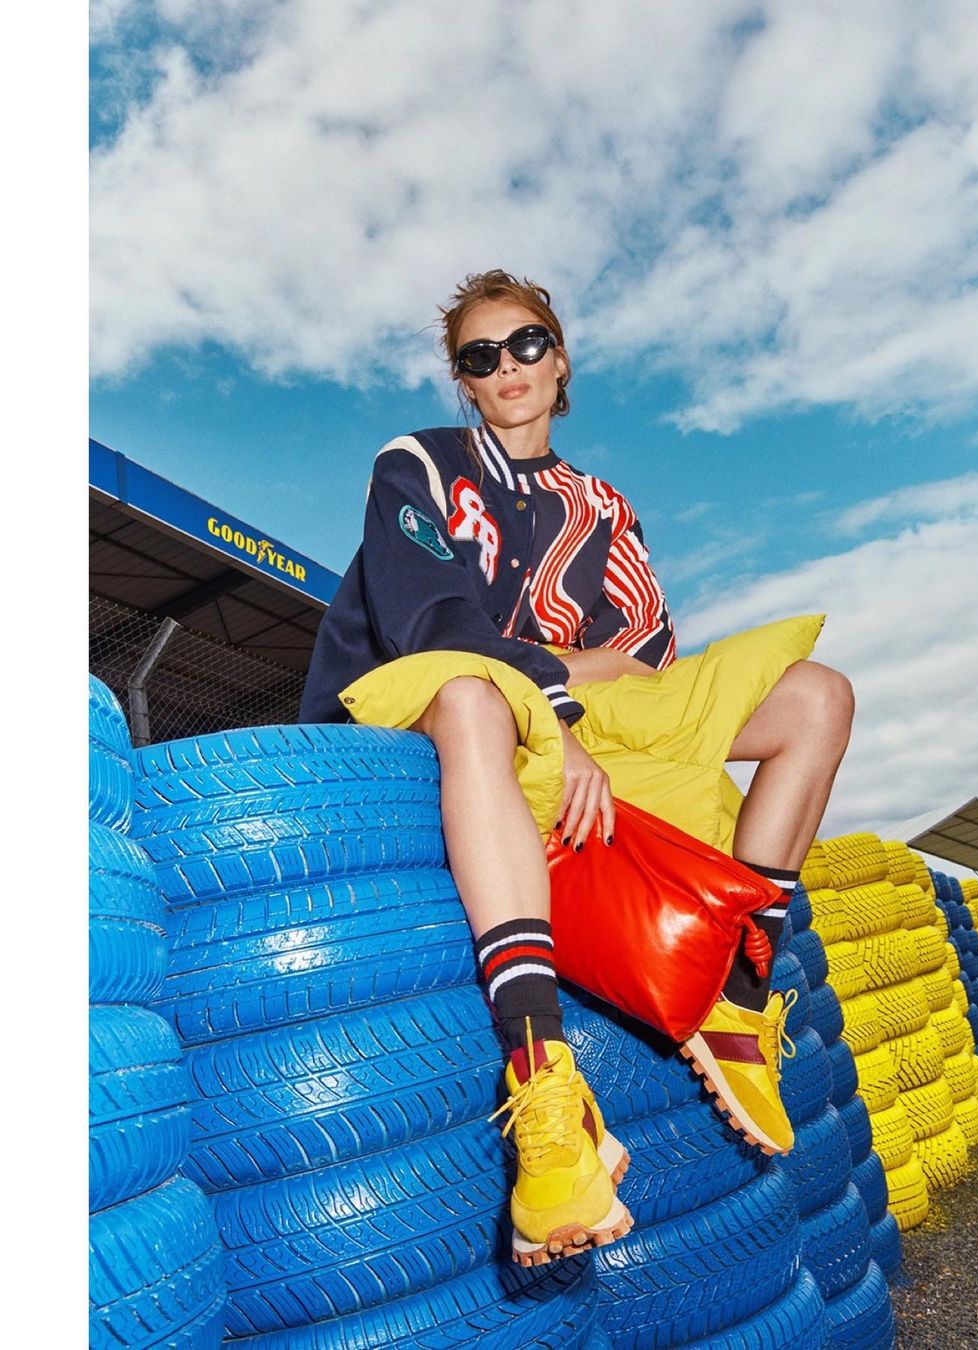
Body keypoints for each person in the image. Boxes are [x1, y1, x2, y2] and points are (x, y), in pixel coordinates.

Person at [299, 269, 855, 1267]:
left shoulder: (601, 507)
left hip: (560, 706)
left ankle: (738, 986)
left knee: (815, 696)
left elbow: (644, 660)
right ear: (464, 382)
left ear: (559, 362)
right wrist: (561, 704)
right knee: (474, 691)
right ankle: (543, 1079)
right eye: (479, 357)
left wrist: (580, 693)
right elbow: (433, 619)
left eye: (525, 345)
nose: (505, 366)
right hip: (412, 697)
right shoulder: (417, 462)